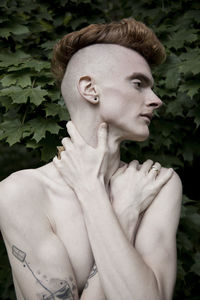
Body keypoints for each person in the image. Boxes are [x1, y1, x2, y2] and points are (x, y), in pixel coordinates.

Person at [0, 18, 182, 300]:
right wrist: (121, 214)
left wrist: (90, 191)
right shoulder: (21, 193)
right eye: (138, 84)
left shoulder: (158, 184)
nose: (156, 99)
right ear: (90, 89)